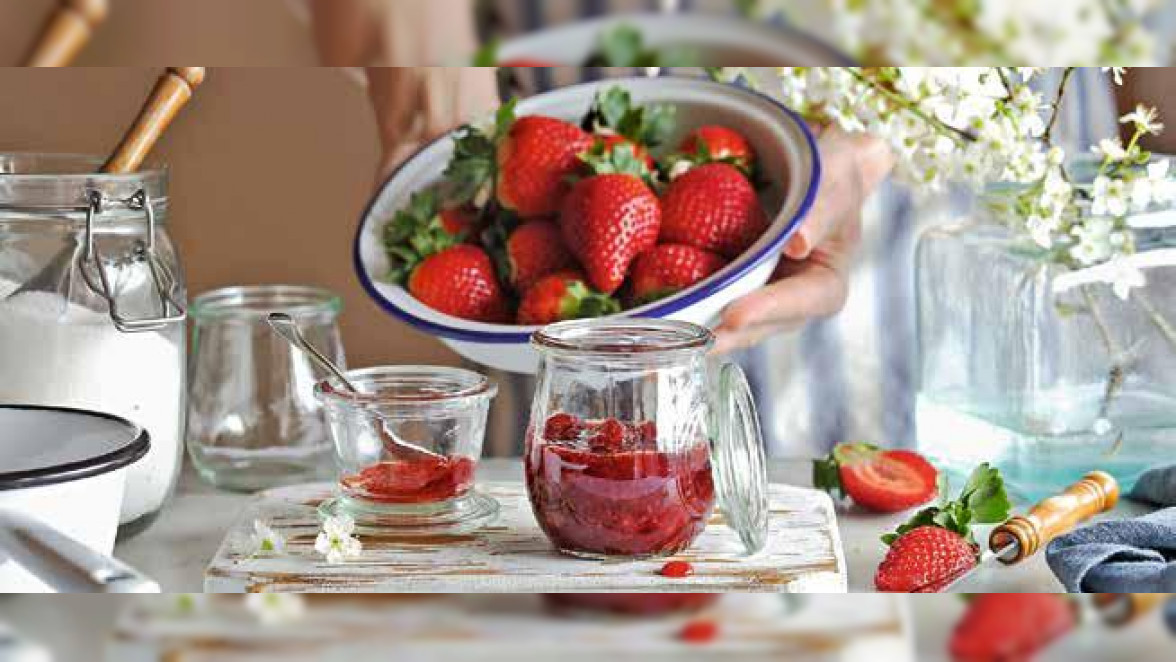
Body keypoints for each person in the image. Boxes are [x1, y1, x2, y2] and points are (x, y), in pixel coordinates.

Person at [302, 1, 1172, 458]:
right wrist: (431, 125)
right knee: (599, 537)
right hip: (575, 273)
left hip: (975, 252)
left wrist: (875, 139)